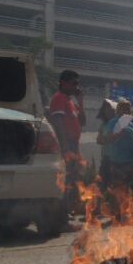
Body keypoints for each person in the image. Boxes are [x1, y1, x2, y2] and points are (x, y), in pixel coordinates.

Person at [49, 70, 86, 212]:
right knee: (66, 180)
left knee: (73, 179)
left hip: (73, 145)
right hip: (66, 145)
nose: (77, 87)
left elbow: (83, 121)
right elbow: (58, 123)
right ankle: (62, 215)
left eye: (78, 84)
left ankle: (67, 212)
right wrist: (65, 148)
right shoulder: (59, 98)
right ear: (63, 83)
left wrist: (81, 102)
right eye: (74, 83)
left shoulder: (70, 102)